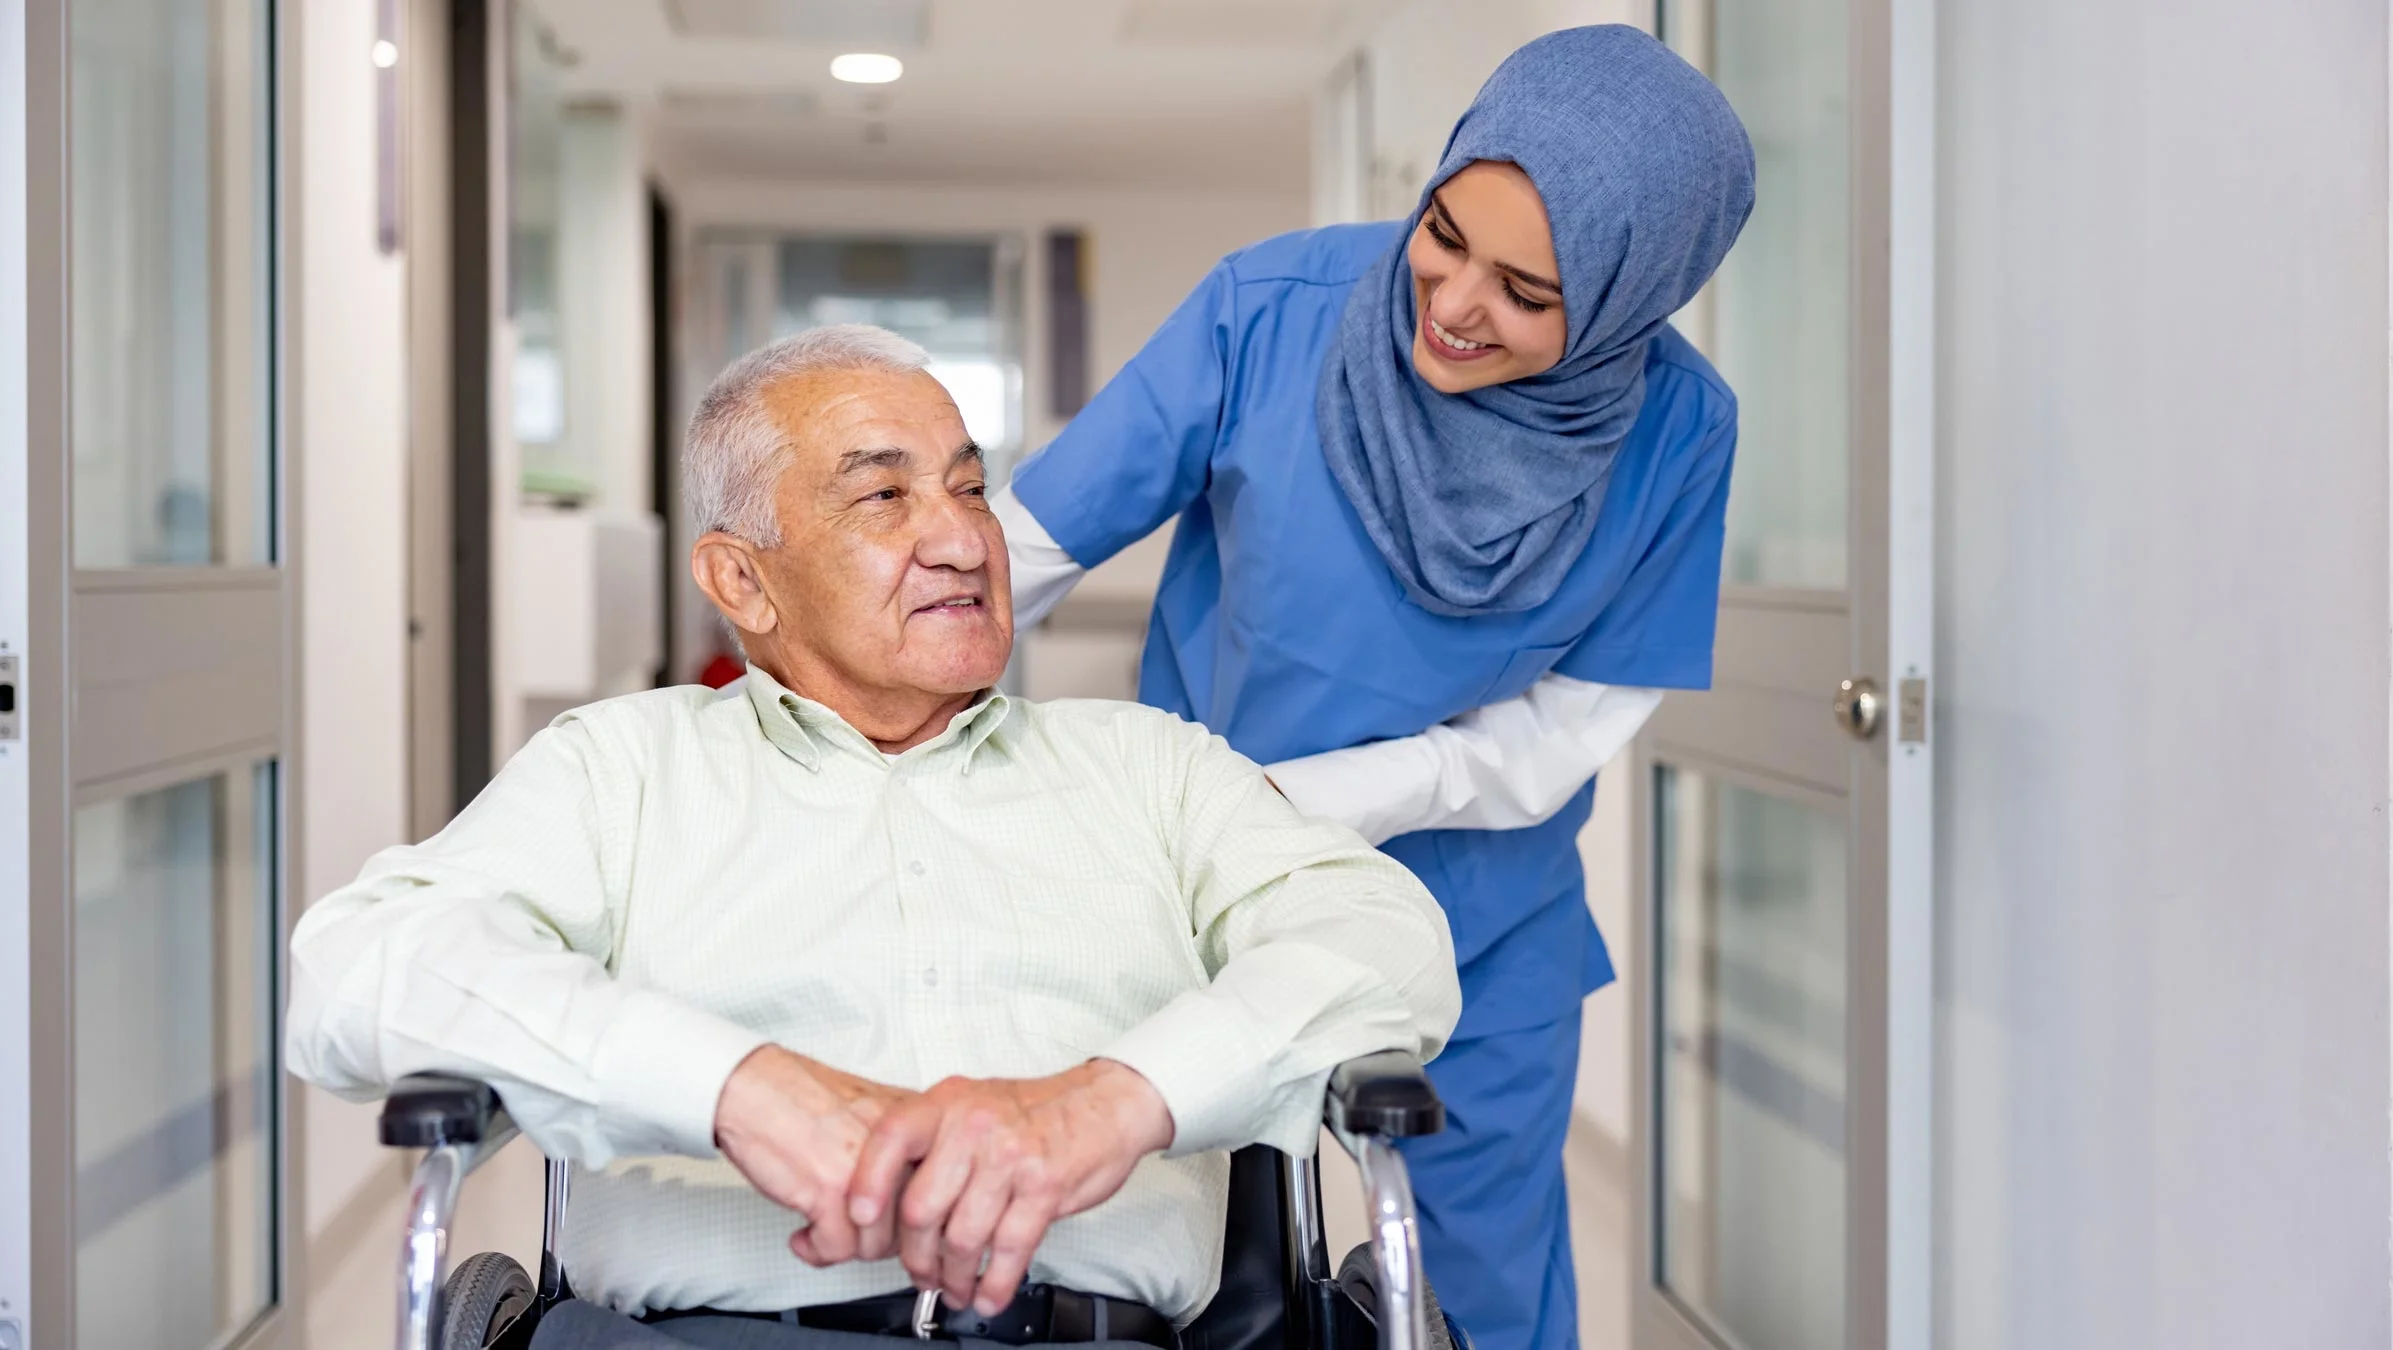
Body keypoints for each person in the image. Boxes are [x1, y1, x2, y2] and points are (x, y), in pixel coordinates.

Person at [285, 326, 1460, 1348]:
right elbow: (351, 970)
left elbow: (1387, 941)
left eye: (969, 488)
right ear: (742, 580)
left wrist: (1113, 1103)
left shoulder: (1150, 767)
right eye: (885, 496)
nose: (961, 541)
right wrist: (738, 1089)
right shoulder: (623, 769)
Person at [991, 27, 1754, 1350]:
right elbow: (1030, 548)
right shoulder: (1269, 310)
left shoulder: (1679, 430)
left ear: (1633, 298)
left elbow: (1569, 727)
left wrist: (1317, 795)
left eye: (1529, 291)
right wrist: (858, 693)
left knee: (1483, 1301)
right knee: (1136, 1265)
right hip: (1193, 892)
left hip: (1473, 916)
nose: (1454, 302)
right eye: (1444, 231)